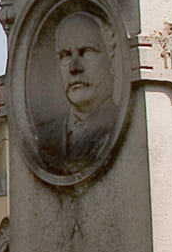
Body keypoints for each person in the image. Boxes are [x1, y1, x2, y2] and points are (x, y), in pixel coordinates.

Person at [34, 9, 116, 174]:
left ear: (111, 61)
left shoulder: (118, 121)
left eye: (87, 52)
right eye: (65, 55)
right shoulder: (43, 136)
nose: (74, 68)